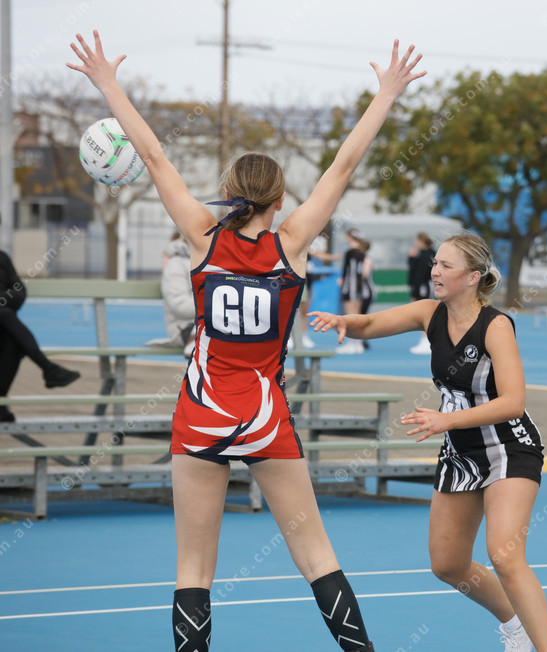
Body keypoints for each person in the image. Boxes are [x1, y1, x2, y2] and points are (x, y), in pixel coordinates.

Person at [67, 30, 425, 651]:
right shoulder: (292, 243)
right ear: (280, 200)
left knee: (193, 569)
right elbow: (343, 166)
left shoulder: (202, 238)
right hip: (264, 414)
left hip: (202, 411)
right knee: (317, 556)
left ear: (228, 193)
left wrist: (108, 85)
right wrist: (386, 94)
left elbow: (153, 156)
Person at [309, 233, 547, 652]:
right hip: (461, 452)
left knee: (504, 555)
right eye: (435, 263)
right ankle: (515, 624)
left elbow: (514, 402)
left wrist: (447, 419)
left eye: (446, 266)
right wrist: (344, 322)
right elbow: (371, 324)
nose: (435, 271)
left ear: (473, 277)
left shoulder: (495, 326)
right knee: (447, 564)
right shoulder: (430, 313)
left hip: (508, 447)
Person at [0, 250, 81, 421]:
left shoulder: (2, 258)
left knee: (14, 341)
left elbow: (19, 292)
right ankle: (48, 368)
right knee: (7, 317)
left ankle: (1, 402)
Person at [146, 232, 195, 357]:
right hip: (184, 328)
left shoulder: (211, 261)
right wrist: (212, 306)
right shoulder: (176, 264)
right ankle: (195, 338)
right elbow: (179, 305)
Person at [336, 229, 374, 354]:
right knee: (357, 316)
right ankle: (358, 343)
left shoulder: (350, 252)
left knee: (349, 316)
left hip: (350, 286)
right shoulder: (362, 252)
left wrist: (343, 280)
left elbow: (346, 270)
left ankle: (351, 343)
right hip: (359, 287)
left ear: (349, 237)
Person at [407, 231, 435, 355]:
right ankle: (425, 340)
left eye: (417, 241)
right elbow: (414, 269)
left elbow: (421, 274)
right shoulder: (424, 254)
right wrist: (411, 258)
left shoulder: (427, 255)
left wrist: (415, 292)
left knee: (423, 313)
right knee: (422, 313)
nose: (416, 243)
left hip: (423, 287)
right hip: (422, 286)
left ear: (422, 241)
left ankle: (426, 340)